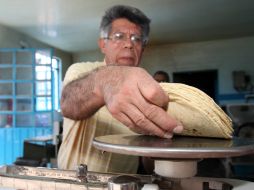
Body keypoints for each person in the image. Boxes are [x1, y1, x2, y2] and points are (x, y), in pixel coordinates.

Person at [58, 5, 183, 173]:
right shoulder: (80, 71)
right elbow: (68, 105)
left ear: (142, 49)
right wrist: (106, 80)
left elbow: (149, 164)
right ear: (103, 44)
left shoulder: (148, 92)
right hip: (74, 184)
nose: (129, 45)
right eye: (119, 36)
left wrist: (159, 145)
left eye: (136, 39)